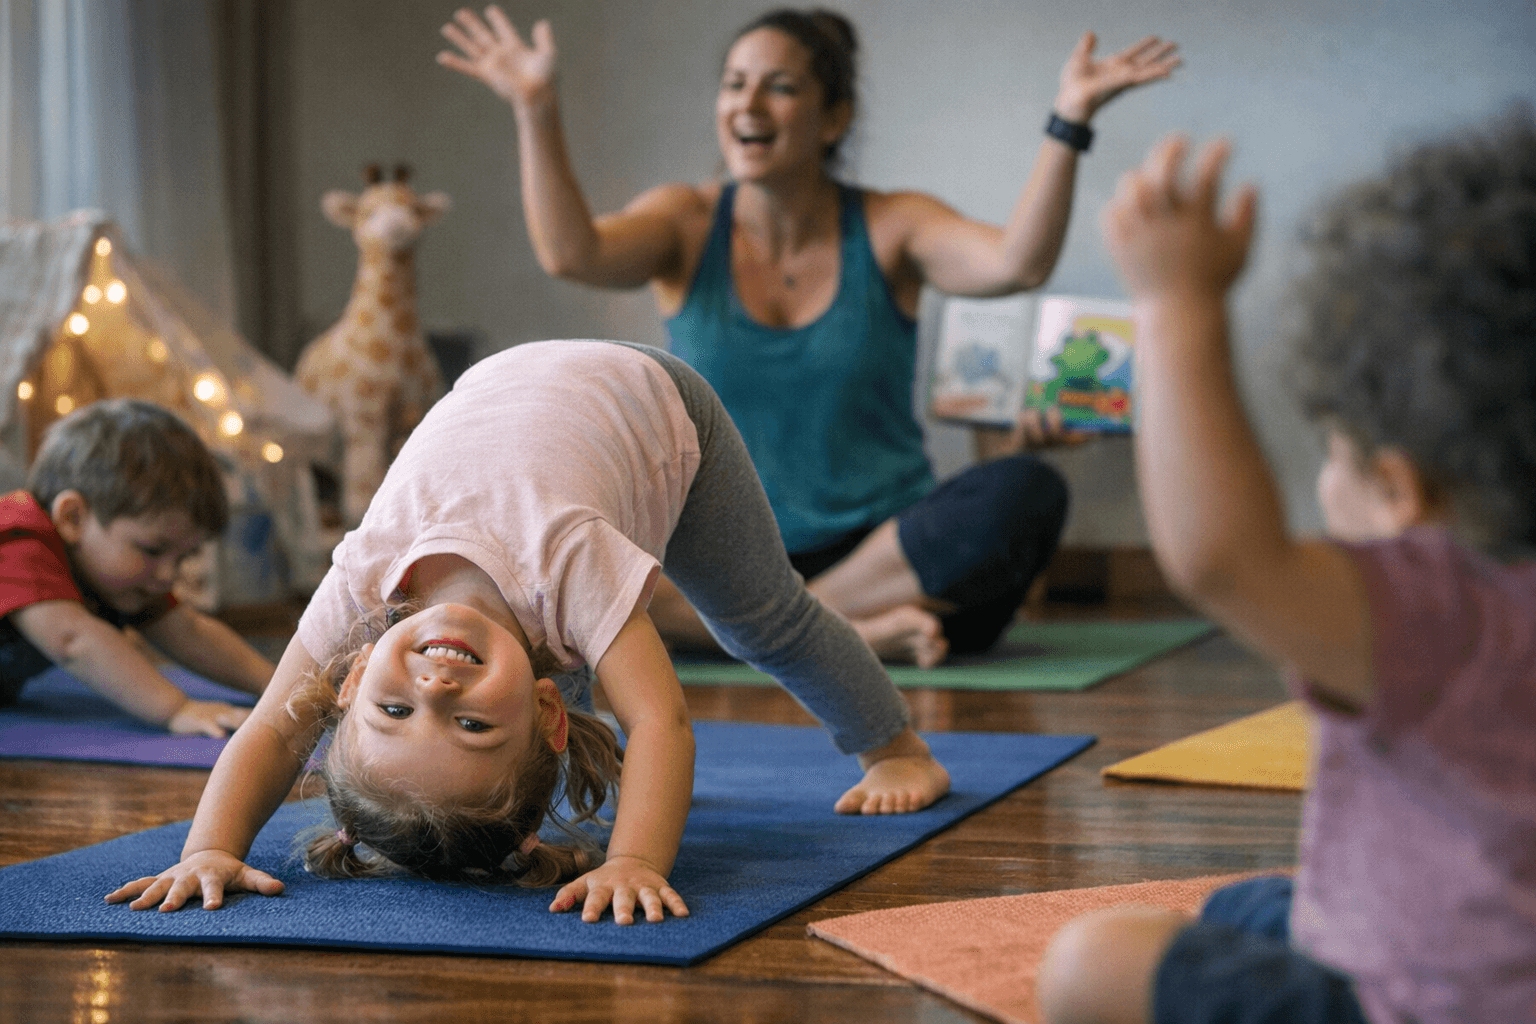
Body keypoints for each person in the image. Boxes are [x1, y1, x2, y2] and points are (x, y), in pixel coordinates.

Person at [106, 340, 950, 926]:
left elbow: (277, 724)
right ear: (552, 717)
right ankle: (528, 775)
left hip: (652, 398)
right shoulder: (550, 606)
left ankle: (898, 744)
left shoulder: (378, 571)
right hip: (545, 417)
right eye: (469, 726)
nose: (433, 692)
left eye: (393, 712)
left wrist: (211, 847)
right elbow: (652, 721)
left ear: (353, 679)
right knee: (542, 658)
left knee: (762, 622)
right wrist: (627, 863)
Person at [436, 7, 1181, 667]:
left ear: (833, 118)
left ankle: (784, 628)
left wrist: (1070, 118)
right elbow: (576, 254)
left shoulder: (892, 225)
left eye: (780, 86)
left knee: (1023, 493)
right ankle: (840, 633)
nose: (747, 103)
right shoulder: (688, 224)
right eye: (733, 83)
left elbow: (1018, 261)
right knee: (563, 550)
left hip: (885, 552)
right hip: (724, 557)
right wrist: (534, 106)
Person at [1034, 112, 1536, 1023]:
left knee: (1092, 962)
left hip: (1427, 1001)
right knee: (1242, 904)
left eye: (1333, 455)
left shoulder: (1450, 613)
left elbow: (1224, 558)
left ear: (1400, 490)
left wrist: (1175, 303)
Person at [0, 399, 275, 736]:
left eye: (183, 557)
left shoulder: (118, 576)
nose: (168, 575)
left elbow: (189, 631)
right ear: (72, 518)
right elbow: (73, 639)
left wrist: (278, 686)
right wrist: (177, 709)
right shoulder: (16, 540)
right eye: (153, 549)